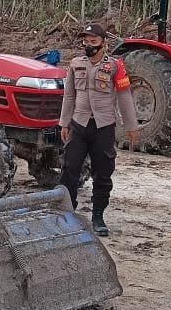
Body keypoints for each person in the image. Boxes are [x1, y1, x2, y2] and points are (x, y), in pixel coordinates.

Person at [59, 23, 139, 237]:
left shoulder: (115, 66)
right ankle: (68, 213)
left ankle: (98, 216)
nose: (89, 45)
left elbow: (124, 96)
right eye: (86, 41)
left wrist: (131, 126)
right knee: (69, 169)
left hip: (103, 126)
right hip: (78, 124)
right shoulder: (76, 64)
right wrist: (64, 123)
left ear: (103, 43)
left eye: (93, 41)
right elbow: (69, 95)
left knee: (103, 174)